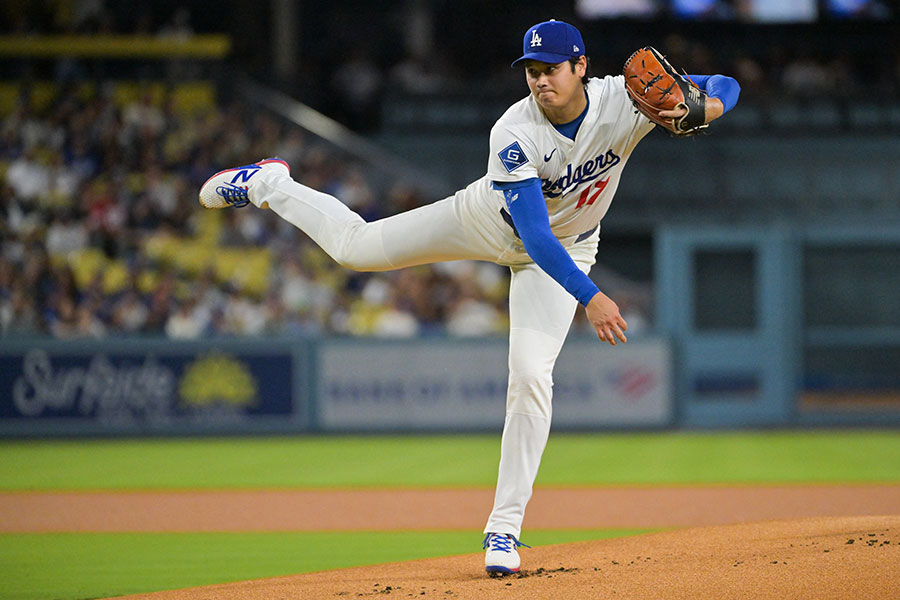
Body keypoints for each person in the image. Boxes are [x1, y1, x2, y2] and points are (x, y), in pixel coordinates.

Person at [199, 19, 740, 576]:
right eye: (531, 71)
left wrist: (706, 108)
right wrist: (591, 297)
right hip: (487, 221)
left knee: (531, 376)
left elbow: (726, 83)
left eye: (550, 69)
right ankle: (269, 183)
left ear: (580, 67)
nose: (539, 81)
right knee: (355, 248)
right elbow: (533, 236)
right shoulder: (514, 131)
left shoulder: (624, 100)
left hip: (572, 246)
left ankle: (503, 531)